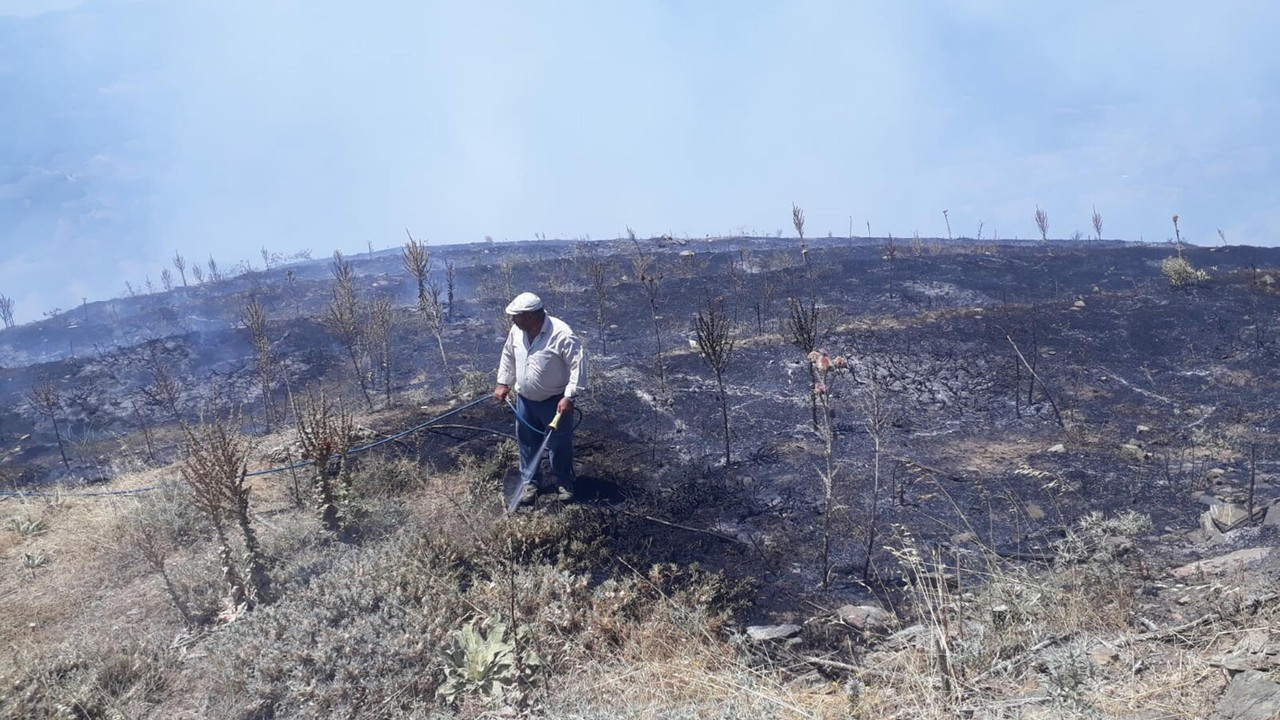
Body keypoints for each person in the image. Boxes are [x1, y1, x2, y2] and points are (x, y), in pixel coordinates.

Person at [494, 292, 586, 505]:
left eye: (515, 316)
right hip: (525, 400)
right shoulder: (517, 331)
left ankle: (563, 482)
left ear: (529, 316)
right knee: (527, 443)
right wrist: (503, 383)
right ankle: (530, 482)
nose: (512, 320)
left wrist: (570, 397)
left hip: (555, 402)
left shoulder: (562, 334)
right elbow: (508, 355)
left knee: (559, 444)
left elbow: (578, 365)